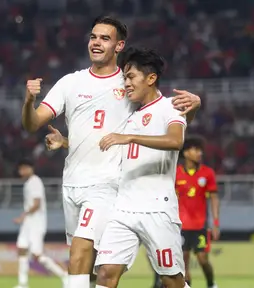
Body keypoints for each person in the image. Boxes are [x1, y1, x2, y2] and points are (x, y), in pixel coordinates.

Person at [23, 15, 200, 288]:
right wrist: (32, 105)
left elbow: (165, 122)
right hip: (81, 187)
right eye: (93, 36)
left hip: (113, 188)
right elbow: (35, 124)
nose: (96, 42)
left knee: (81, 253)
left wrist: (196, 103)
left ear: (119, 46)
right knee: (97, 271)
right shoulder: (72, 83)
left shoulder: (131, 86)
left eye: (105, 38)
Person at [91, 47, 195, 288]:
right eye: (124, 78)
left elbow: (175, 141)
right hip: (123, 209)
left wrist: (130, 138)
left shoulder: (170, 107)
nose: (126, 83)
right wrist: (64, 142)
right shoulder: (129, 115)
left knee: (172, 281)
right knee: (105, 273)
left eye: (130, 77)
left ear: (151, 78)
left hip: (158, 209)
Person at [14, 159, 67, 288]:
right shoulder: (28, 183)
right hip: (28, 222)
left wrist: (23, 216)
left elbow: (37, 204)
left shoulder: (35, 182)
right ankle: (23, 283)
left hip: (36, 223)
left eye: (22, 169)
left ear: (28, 168)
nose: (20, 172)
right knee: (21, 248)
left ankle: (64, 274)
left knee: (37, 255)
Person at [175, 136, 220, 288]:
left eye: (200, 150)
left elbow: (214, 198)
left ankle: (211, 283)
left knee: (203, 260)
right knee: (184, 262)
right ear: (186, 153)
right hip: (181, 226)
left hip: (200, 225)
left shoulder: (207, 173)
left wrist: (215, 223)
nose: (200, 153)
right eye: (196, 150)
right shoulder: (176, 173)